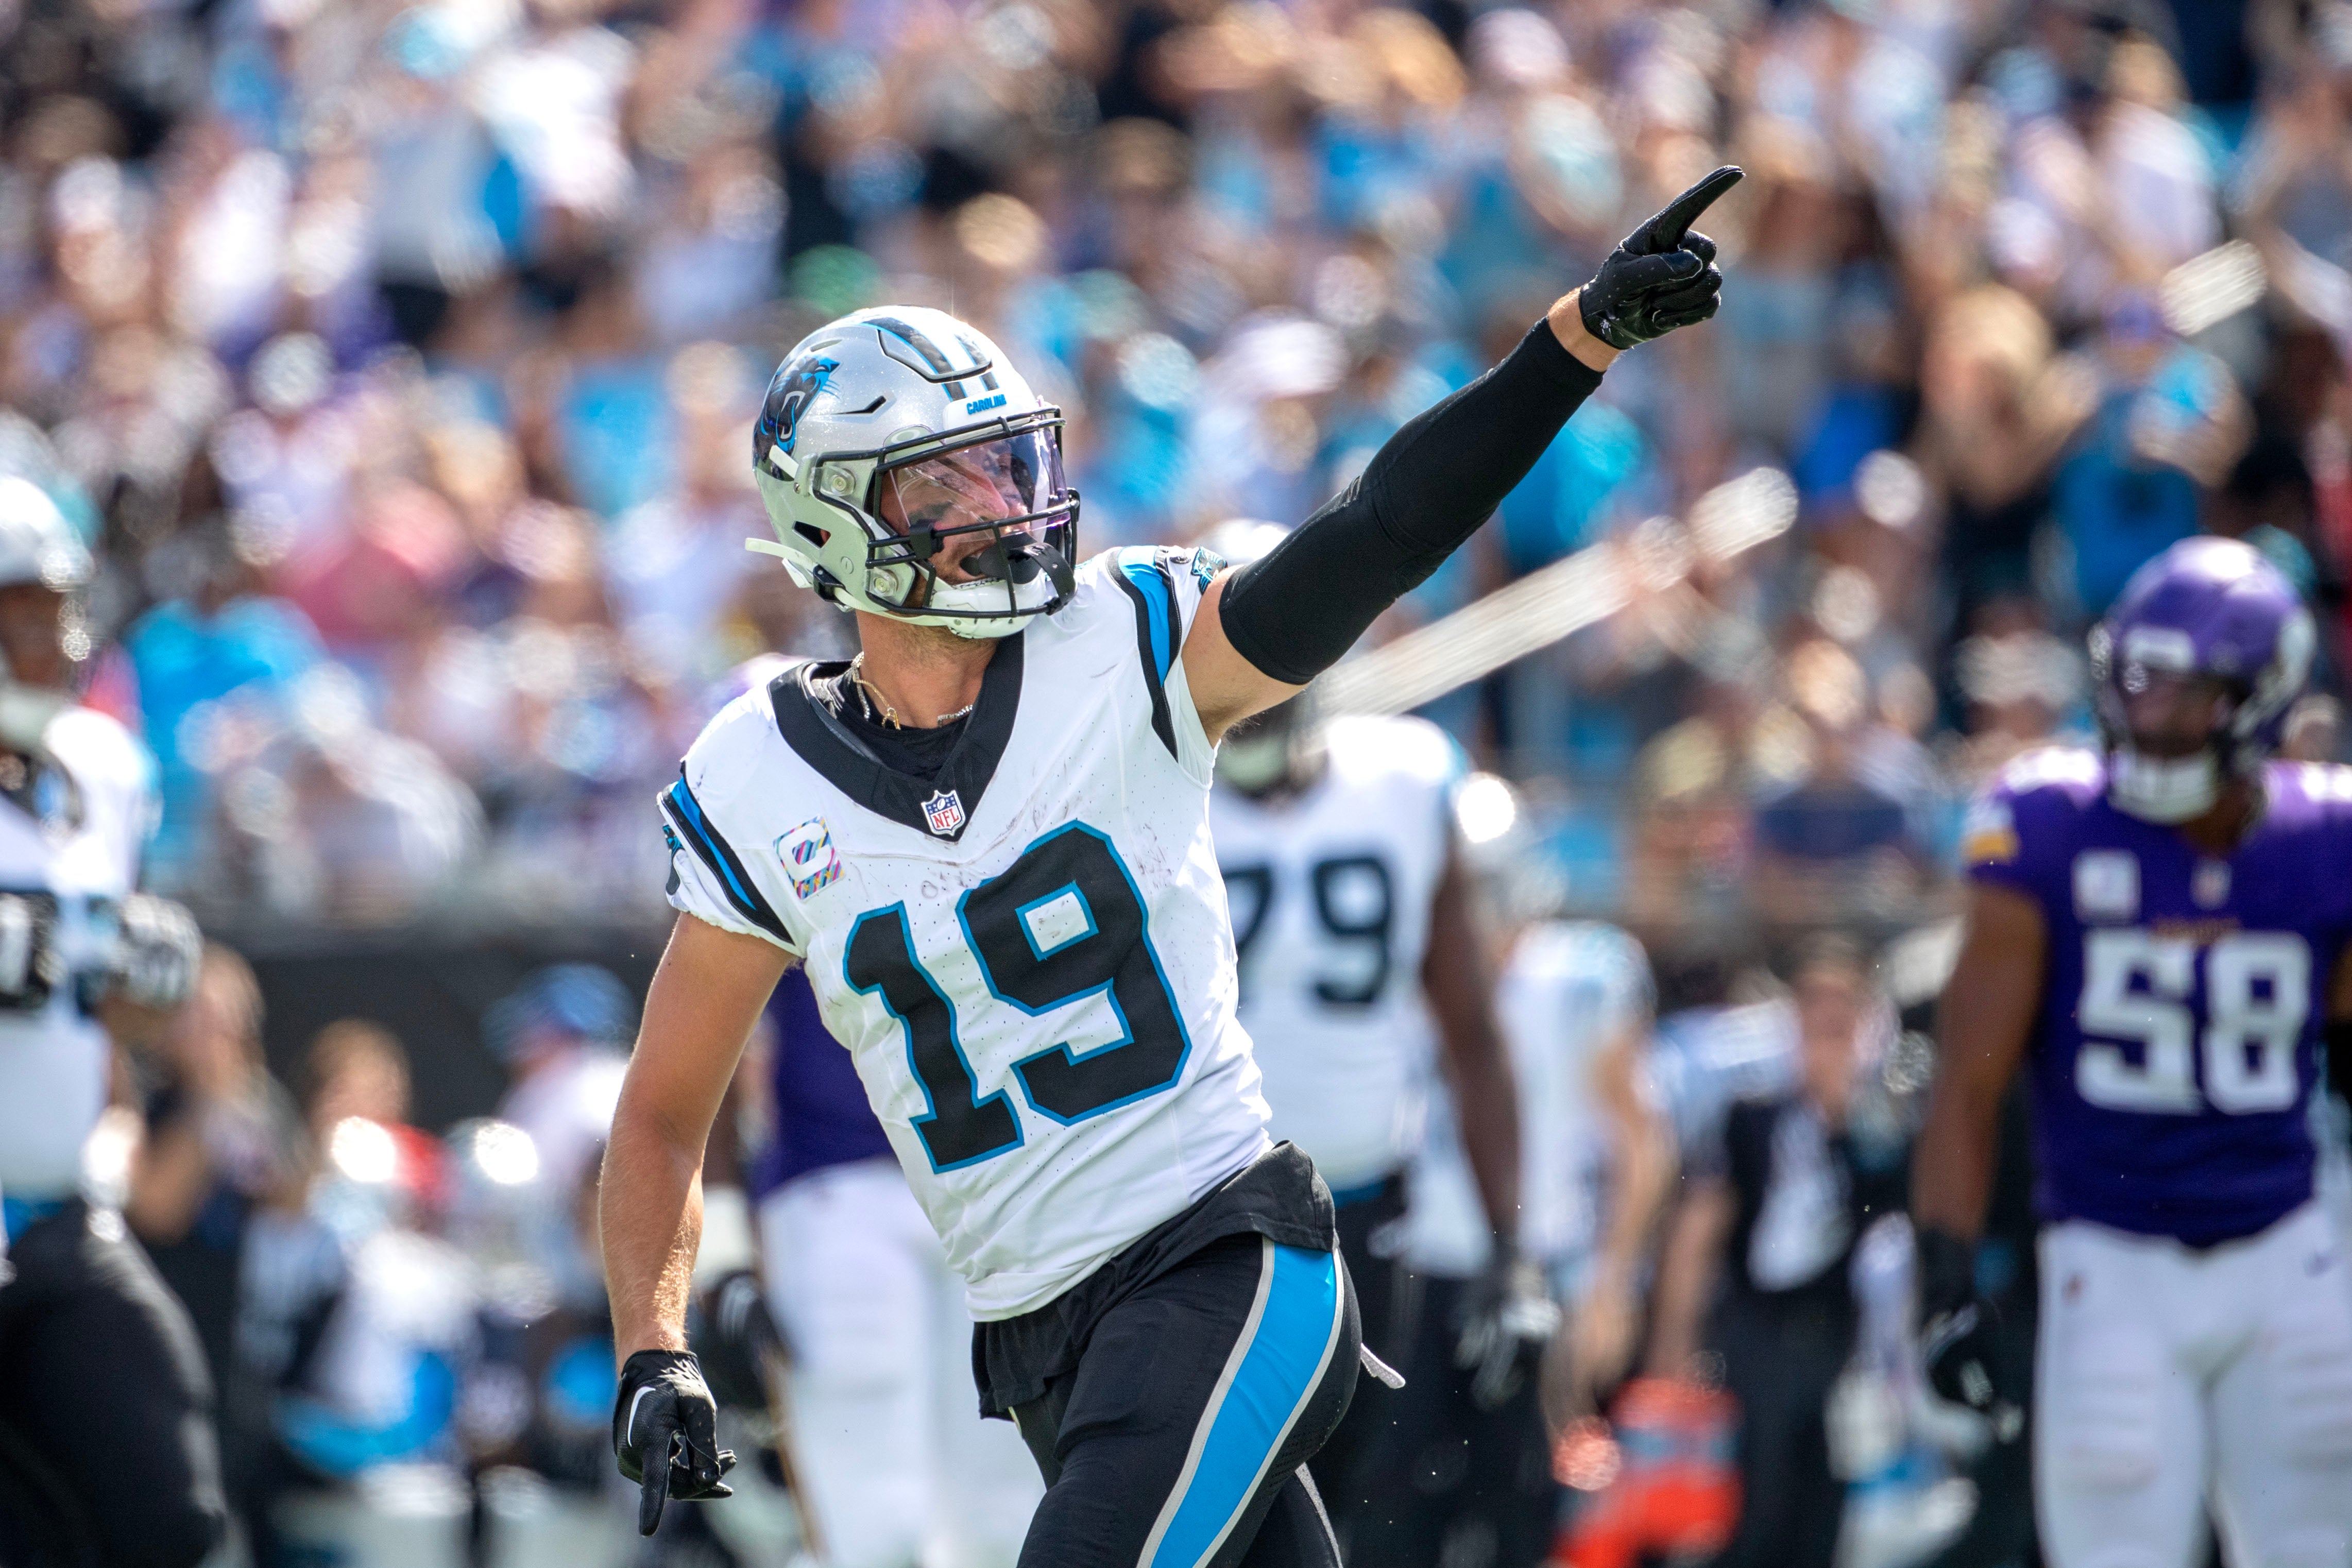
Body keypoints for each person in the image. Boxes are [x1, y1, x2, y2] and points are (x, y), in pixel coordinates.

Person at [599, 168, 1740, 1565]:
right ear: (835, 521)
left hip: (1222, 1255)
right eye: (945, 479)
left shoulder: (1122, 645)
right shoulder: (756, 774)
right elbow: (662, 1111)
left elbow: (1373, 532)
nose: (999, 501)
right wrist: (652, 1346)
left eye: (1001, 458)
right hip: (1042, 1336)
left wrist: (1568, 346)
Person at [1914, 535, 2352, 1568]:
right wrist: (1948, 1288)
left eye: (2184, 693)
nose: (2150, 716)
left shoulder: (2323, 836)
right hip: (2108, 1262)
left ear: (2261, 697)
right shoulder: (2049, 826)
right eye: (2138, 683)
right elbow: (1965, 1089)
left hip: (2284, 1248)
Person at [1204, 602, 1525, 1547]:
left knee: (1345, 1508)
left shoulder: (1402, 778)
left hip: (1366, 1207)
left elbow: (1471, 1027)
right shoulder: (1154, 787)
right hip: (1200, 1214)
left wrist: (1513, 1247)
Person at [0, 476, 223, 1567]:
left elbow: (101, 1032)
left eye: (56, 608)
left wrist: (132, 1001)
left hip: (55, 1215)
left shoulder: (107, 772)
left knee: (169, 1516)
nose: (54, 639)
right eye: (21, 613)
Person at [750, 963, 1043, 1567]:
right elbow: (705, 1045)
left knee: (1010, 1526)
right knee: (876, 1532)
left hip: (997, 1177)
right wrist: (724, 1249)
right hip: (840, 1185)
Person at [1647, 933, 1905, 1568]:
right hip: (1758, 1327)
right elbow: (1703, 1222)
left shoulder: (1884, 1125)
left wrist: (1843, 1116)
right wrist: (1673, 1341)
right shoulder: (1751, 1113)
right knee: (1754, 1495)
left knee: (1824, 1498)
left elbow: (1894, 1222)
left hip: (1840, 1336)